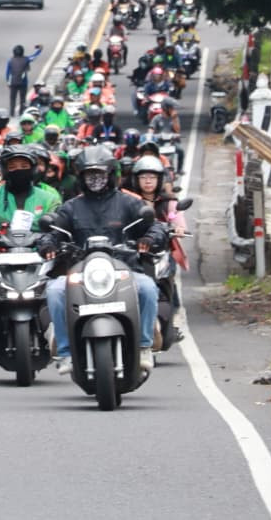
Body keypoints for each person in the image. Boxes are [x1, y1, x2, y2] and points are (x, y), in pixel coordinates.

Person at [39, 146, 165, 374]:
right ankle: (66, 352)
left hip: (123, 268)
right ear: (81, 177)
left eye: (99, 174)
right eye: (89, 175)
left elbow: (154, 226)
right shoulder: (71, 207)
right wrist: (48, 244)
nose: (95, 179)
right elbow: (53, 231)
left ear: (111, 175)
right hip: (81, 270)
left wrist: (149, 238)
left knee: (147, 288)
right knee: (55, 291)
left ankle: (144, 345)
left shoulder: (129, 202)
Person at [0, 146, 61, 346]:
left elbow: (57, 223)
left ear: (34, 169)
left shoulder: (49, 198)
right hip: (1, 253)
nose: (19, 170)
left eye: (24, 166)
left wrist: (52, 238)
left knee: (62, 280)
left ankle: (57, 327)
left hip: (38, 253)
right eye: (13, 166)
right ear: (5, 170)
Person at [5, 44, 43, 116]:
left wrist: (8, 82)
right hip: (23, 83)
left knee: (12, 99)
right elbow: (34, 56)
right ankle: (21, 113)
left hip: (13, 83)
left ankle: (12, 113)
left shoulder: (10, 60)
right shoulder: (26, 59)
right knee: (22, 99)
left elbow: (7, 73)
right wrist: (39, 50)